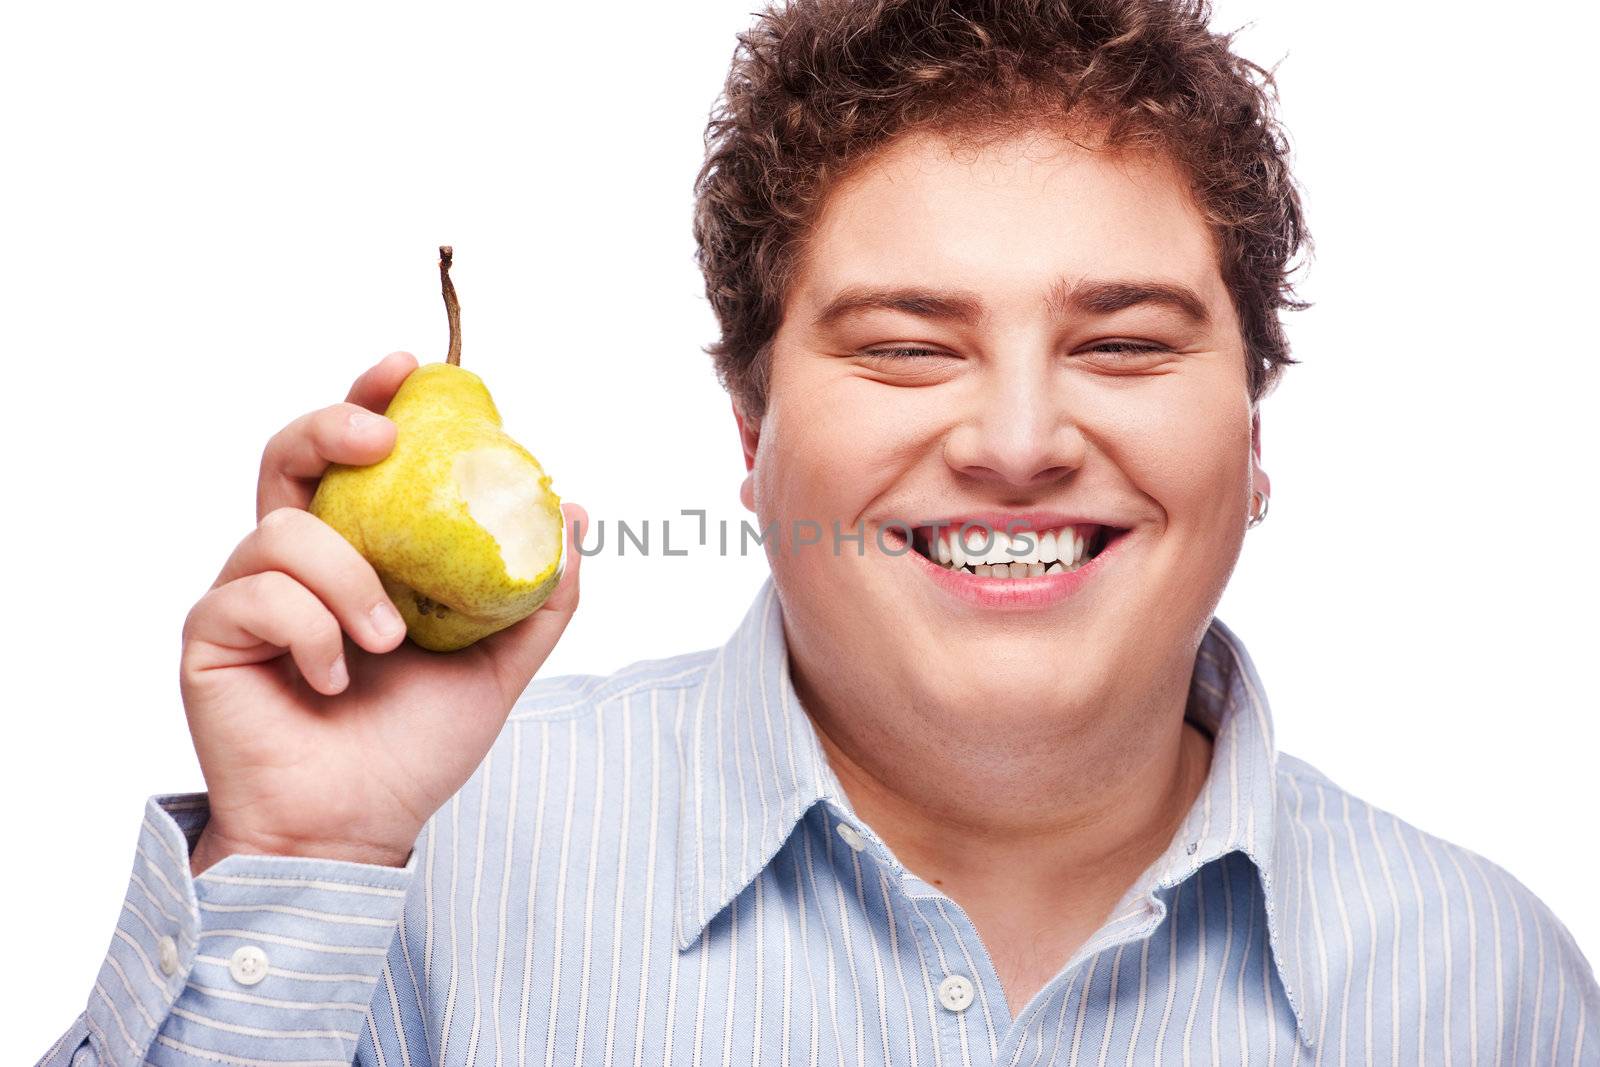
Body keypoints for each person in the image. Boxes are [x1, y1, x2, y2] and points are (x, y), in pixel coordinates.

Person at [38, 0, 1599, 1064]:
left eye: (1124, 345)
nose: (1014, 442)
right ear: (749, 439)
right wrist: (300, 859)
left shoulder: (1486, 984)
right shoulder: (414, 872)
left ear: (1251, 440)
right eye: (908, 347)